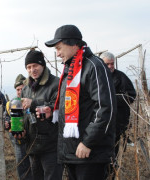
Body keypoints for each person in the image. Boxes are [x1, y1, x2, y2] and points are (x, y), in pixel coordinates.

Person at [45, 24, 117, 180]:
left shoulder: (94, 67)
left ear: (73, 44)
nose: (57, 54)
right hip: (74, 152)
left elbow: (105, 109)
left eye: (59, 48)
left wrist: (88, 142)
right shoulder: (71, 70)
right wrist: (52, 110)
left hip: (89, 152)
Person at [19, 50, 62, 180]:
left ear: (42, 65)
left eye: (35, 66)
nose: (32, 70)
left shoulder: (56, 84)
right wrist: (20, 129)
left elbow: (59, 106)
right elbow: (23, 114)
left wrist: (34, 103)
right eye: (29, 67)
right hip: (33, 145)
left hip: (51, 146)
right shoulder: (26, 88)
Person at [101, 52, 136, 155]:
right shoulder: (96, 77)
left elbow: (131, 96)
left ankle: (113, 169)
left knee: (113, 150)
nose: (111, 66)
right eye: (108, 64)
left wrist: (112, 99)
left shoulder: (121, 77)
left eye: (112, 63)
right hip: (101, 121)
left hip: (117, 121)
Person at [5, 74, 32, 180]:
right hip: (19, 143)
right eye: (17, 89)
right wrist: (7, 123)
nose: (20, 91)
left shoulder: (31, 102)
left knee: (34, 171)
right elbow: (6, 118)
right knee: (23, 170)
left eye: (22, 88)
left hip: (32, 141)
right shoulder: (10, 104)